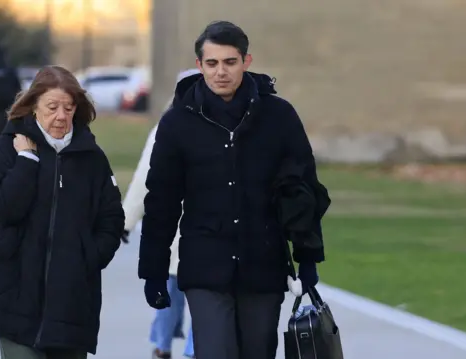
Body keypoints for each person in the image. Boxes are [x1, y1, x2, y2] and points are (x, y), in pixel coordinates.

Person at [138, 21, 326, 359]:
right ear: (199, 66)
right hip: (204, 263)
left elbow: (302, 189)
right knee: (215, 352)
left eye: (230, 62)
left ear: (246, 61)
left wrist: (308, 257)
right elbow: (161, 201)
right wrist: (153, 269)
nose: (220, 72)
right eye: (212, 63)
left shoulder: (278, 116)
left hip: (263, 262)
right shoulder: (178, 123)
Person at [0, 65, 125, 359]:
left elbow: (111, 218)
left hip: (72, 303)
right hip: (15, 295)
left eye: (68, 107)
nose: (61, 116)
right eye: (52, 107)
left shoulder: (91, 158)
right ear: (33, 106)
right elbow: (4, 210)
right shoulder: (8, 149)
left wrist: (89, 256)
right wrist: (27, 160)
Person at [122, 69, 199, 359]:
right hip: (180, 234)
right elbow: (146, 180)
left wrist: (128, 222)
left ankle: (166, 347)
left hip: (182, 236)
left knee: (178, 295)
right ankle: (175, 348)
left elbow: (144, 180)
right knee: (184, 296)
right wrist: (127, 220)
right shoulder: (171, 129)